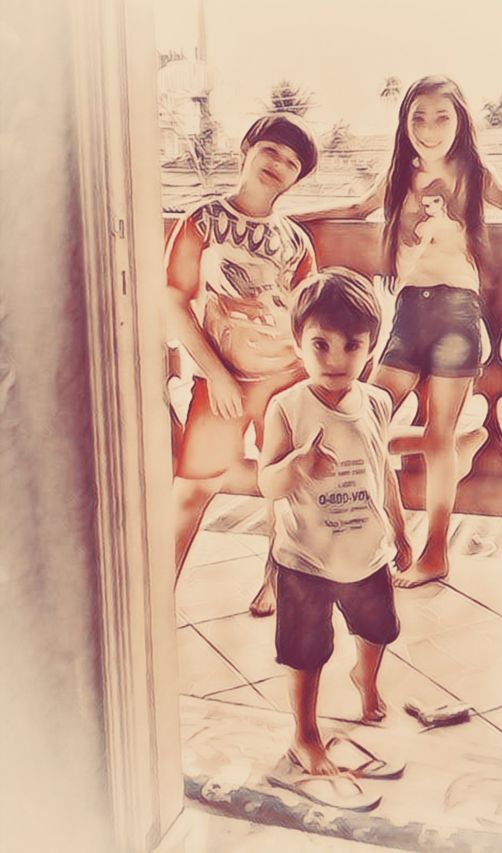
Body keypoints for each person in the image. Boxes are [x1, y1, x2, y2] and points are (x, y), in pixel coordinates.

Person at [297, 74, 502, 589]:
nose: (430, 128)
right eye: (419, 117)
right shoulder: (396, 176)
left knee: (433, 439)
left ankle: (434, 552)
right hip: (408, 314)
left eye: (442, 117)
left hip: (457, 313)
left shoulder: (474, 174)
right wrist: (290, 216)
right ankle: (420, 501)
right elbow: (354, 209)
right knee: (360, 421)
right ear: (405, 122)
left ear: (460, 123)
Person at [259, 268, 411, 774]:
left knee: (379, 630)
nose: (335, 359)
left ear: (371, 348)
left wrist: (400, 528)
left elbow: (381, 469)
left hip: (367, 551)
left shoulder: (378, 403)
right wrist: (297, 466)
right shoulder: (286, 408)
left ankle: (365, 681)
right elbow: (267, 482)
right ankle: (305, 733)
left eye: (352, 346)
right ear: (297, 342)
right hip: (305, 558)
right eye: (320, 344)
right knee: (305, 652)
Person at [166, 113, 318, 613]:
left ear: (297, 178)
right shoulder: (202, 221)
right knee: (193, 488)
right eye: (271, 150)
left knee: (283, 487)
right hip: (221, 380)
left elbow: (307, 315)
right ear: (247, 150)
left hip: (286, 379)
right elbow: (174, 299)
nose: (279, 164)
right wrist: (215, 373)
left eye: (292, 162)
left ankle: (274, 581)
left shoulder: (295, 240)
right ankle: (156, 593)